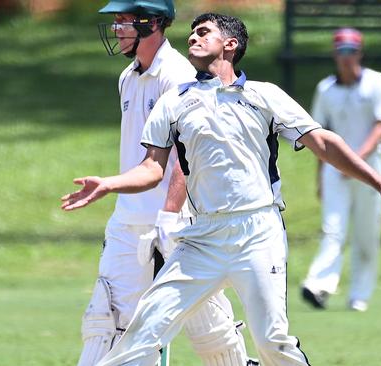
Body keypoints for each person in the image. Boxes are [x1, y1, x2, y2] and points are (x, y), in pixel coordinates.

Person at [61, 13, 381, 365]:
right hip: (202, 238)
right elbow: (152, 168)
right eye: (192, 34)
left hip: (258, 233)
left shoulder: (264, 95)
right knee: (142, 332)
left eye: (203, 33)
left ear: (230, 44)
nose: (192, 39)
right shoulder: (174, 102)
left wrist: (379, 182)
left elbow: (322, 142)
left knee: (273, 343)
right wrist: (109, 184)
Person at [78, 2, 254, 365]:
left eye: (123, 21)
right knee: (106, 321)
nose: (116, 29)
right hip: (129, 219)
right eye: (115, 22)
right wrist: (114, 188)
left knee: (210, 330)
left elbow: (186, 155)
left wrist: (170, 216)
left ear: (152, 22)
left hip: (177, 223)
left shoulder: (178, 75)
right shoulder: (128, 76)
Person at [300, 28, 381, 312]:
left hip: (370, 170)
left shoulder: (376, 82)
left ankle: (359, 294)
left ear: (360, 53)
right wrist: (320, 176)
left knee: (366, 233)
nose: (346, 58)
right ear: (334, 55)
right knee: (333, 230)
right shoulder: (325, 89)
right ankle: (318, 286)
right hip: (334, 170)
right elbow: (318, 134)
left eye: (351, 52)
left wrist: (355, 159)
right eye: (341, 52)